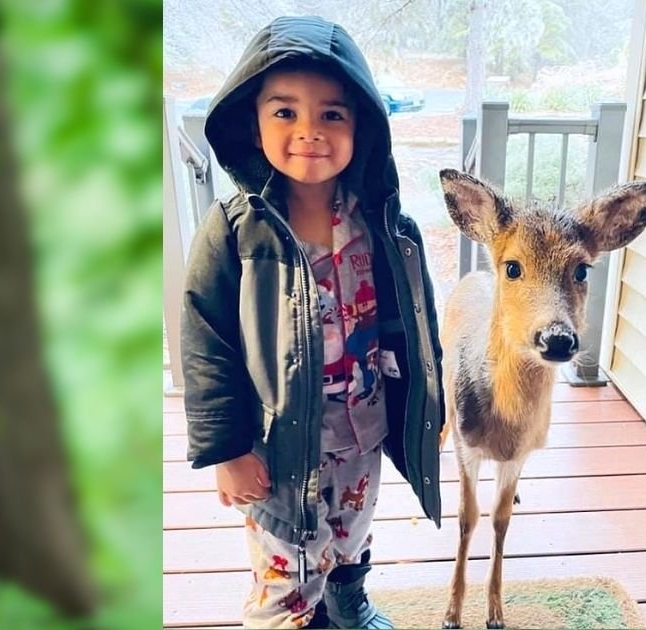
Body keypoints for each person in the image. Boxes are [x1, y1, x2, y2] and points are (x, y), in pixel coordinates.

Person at [181, 15, 445, 629]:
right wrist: (226, 450)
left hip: (363, 425)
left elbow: (418, 325)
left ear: (363, 128)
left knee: (351, 532)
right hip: (275, 440)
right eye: (285, 113)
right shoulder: (234, 231)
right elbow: (205, 342)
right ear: (253, 122)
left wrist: (429, 408)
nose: (309, 132)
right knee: (288, 564)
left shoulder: (385, 228)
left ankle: (346, 601)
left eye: (332, 114)